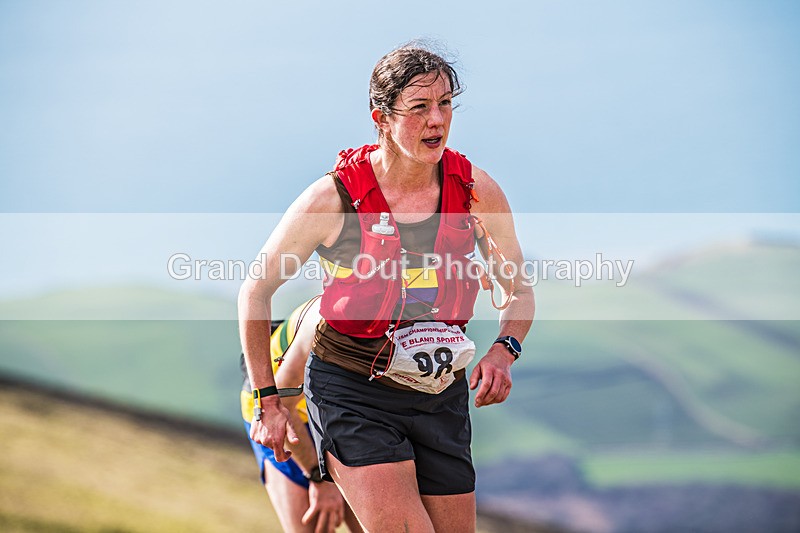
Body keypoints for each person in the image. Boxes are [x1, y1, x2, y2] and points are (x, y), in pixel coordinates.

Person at [239, 42, 535, 532]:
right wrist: (269, 403)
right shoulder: (332, 199)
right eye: (419, 107)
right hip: (354, 390)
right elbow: (255, 291)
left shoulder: (476, 191)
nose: (436, 120)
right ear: (382, 118)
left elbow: (518, 289)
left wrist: (505, 349)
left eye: (445, 103)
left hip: (440, 393)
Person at [240, 296, 362, 533]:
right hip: (278, 411)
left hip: (334, 415)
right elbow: (280, 406)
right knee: (312, 527)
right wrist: (319, 479)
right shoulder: (326, 321)